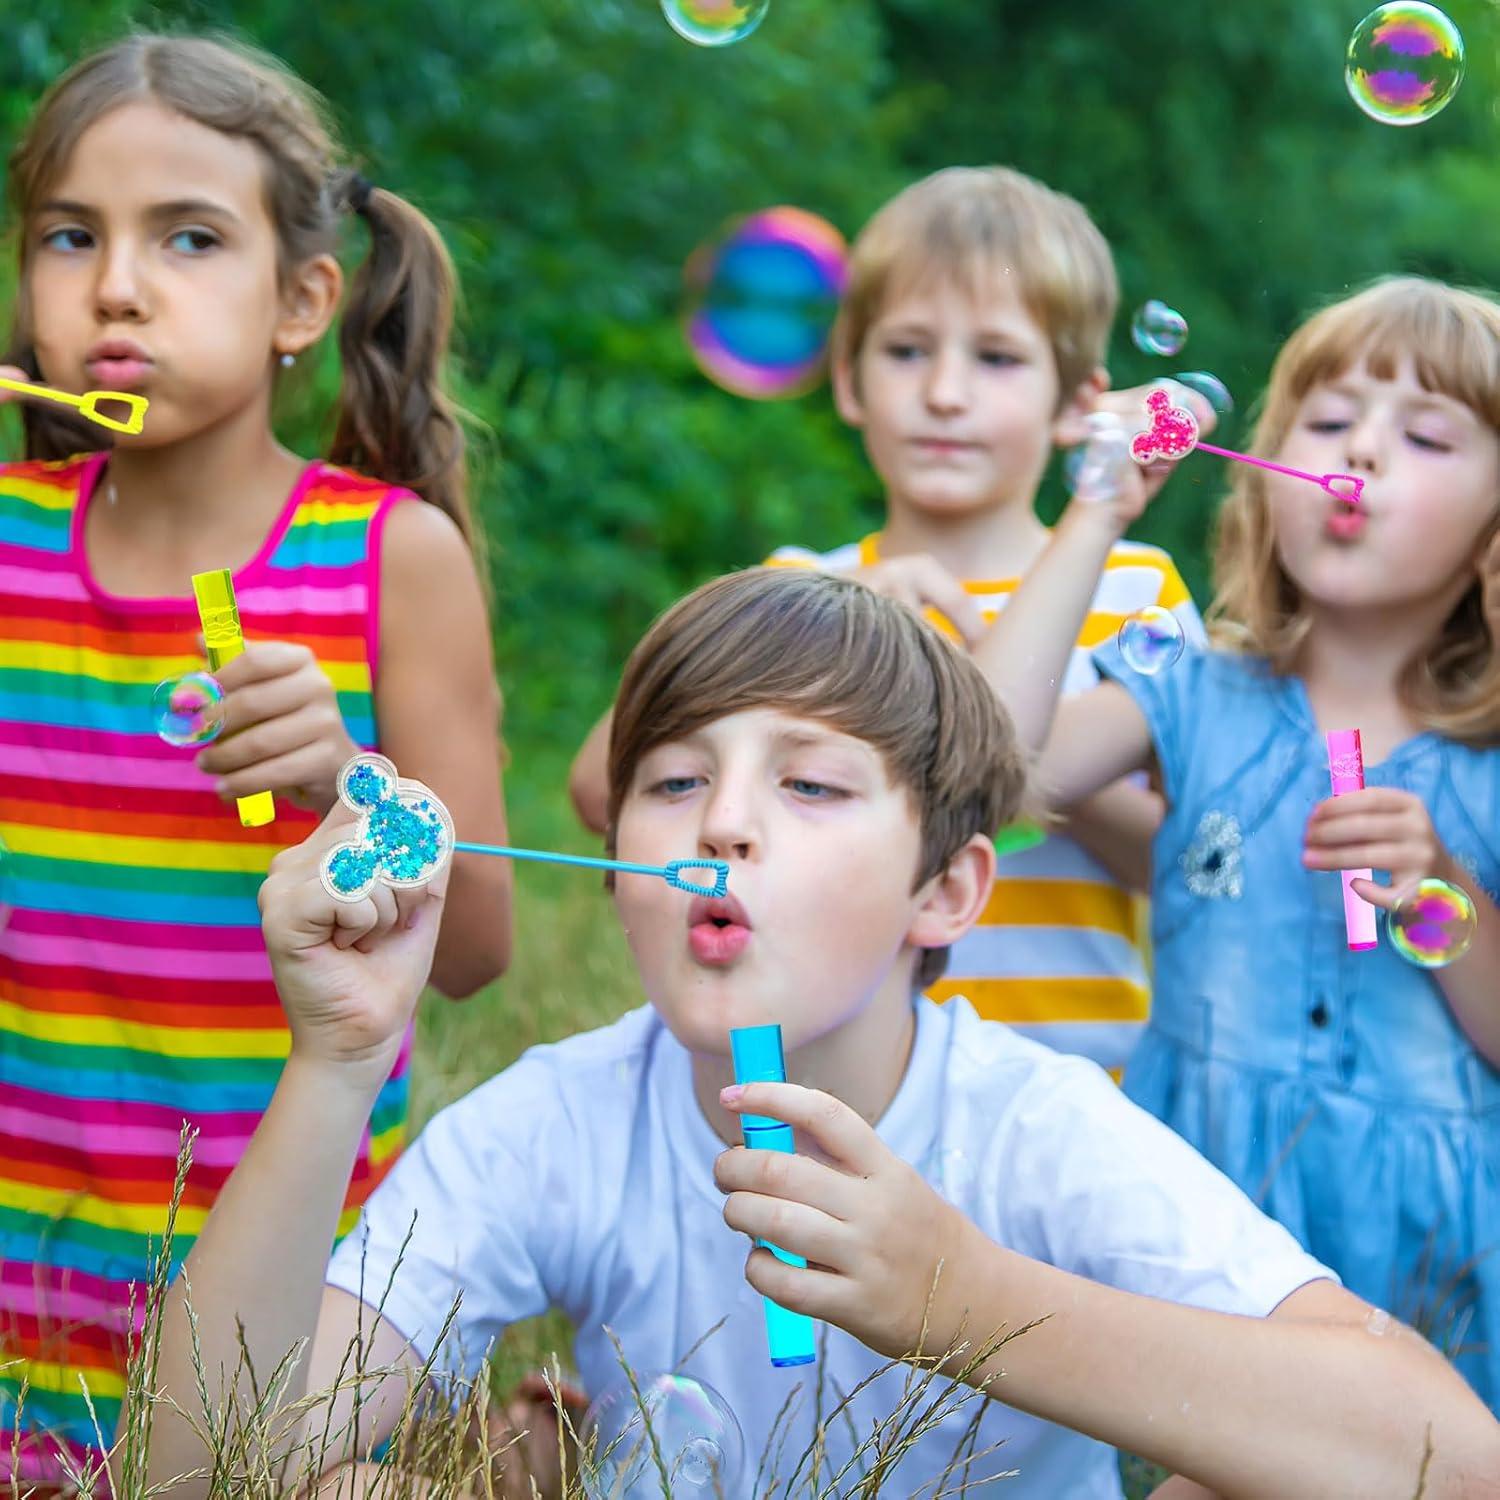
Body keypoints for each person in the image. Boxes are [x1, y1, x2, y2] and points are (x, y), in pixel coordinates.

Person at [130, 568, 1500, 1499]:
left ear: (944, 890)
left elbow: (1453, 1457)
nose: (724, 822)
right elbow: (196, 1470)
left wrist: (966, 1300)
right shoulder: (558, 1125)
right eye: (676, 780)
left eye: (812, 786)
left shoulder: (1030, 1126)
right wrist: (338, 1061)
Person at [0, 31, 511, 1484]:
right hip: (26, 1281)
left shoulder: (388, 559)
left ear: (303, 300)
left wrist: (350, 784)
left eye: (190, 238)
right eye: (70, 236)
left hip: (292, 1297)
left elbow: (477, 948)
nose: (117, 286)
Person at [975, 275, 1500, 1411]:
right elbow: (988, 767)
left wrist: (1447, 887)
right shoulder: (1189, 690)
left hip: (1436, 1265)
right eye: (1328, 420)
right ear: (1267, 476)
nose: (1360, 450)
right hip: (1197, 1227)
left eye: (1423, 436)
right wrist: (1097, 512)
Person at [569, 166, 1210, 1080]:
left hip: (1072, 1078)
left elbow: (1194, 866)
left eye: (997, 358)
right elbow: (601, 786)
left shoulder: (1134, 589)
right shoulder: (804, 592)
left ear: (1079, 403)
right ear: (849, 380)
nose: (945, 392)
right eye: (907, 351)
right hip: (836, 1081)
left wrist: (1000, 746)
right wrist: (841, 636)